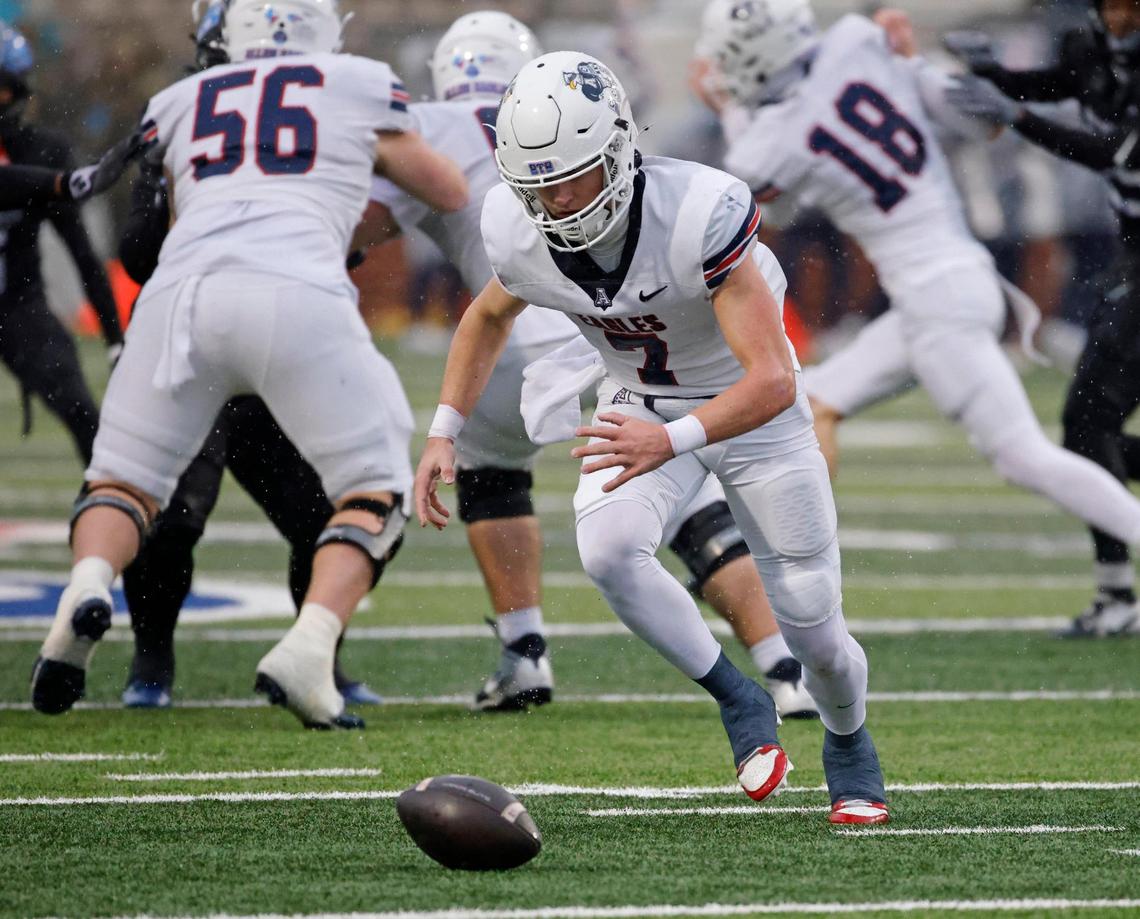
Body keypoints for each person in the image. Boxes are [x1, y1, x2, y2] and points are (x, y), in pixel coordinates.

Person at [415, 51, 886, 823]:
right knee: (607, 549)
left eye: (571, 175)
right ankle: (739, 700)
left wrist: (671, 444)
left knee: (814, 625)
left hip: (753, 413)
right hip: (643, 401)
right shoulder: (517, 228)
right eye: (536, 184)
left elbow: (773, 380)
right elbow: (487, 316)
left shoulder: (700, 210)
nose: (556, 200)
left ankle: (848, 738)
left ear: (620, 148)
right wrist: (445, 432)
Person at [29, 0, 468, 729]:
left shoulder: (183, 99)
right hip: (294, 291)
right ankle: (311, 643)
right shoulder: (352, 82)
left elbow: (174, 222)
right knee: (374, 486)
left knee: (124, 482)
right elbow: (447, 188)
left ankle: (86, 582)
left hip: (180, 299)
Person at [366, 10, 816, 717]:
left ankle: (525, 649)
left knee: (497, 474)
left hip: (553, 332)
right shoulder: (559, 140)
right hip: (602, 331)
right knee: (681, 503)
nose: (559, 193)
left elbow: (390, 211)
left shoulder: (429, 130)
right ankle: (780, 664)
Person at [693, 0, 1140, 615]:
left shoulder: (772, 135)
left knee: (1022, 456)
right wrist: (912, 61)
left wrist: (731, 108)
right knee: (809, 401)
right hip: (947, 281)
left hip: (937, 299)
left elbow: (747, 191)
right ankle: (793, 569)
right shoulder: (859, 41)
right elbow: (966, 116)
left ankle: (789, 568)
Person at [114, 0, 378, 710]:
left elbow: (354, 238)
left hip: (278, 352)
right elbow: (134, 249)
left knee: (327, 510)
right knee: (170, 516)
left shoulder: (318, 126)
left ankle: (316, 657)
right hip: (194, 349)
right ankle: (151, 661)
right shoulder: (189, 119)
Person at [940, 0, 1140, 637]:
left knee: (1087, 421)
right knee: (1087, 426)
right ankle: (1118, 595)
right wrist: (995, 73)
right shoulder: (1092, 46)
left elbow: (1111, 150)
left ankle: (1119, 596)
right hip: (1132, 255)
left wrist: (1017, 116)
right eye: (1113, 6)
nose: (1122, 20)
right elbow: (1064, 83)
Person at [0, 20, 124, 464]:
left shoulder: (41, 148)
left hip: (16, 302)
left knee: (81, 410)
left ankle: (115, 517)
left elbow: (83, 253)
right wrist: (60, 183)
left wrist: (114, 338)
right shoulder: (44, 163)